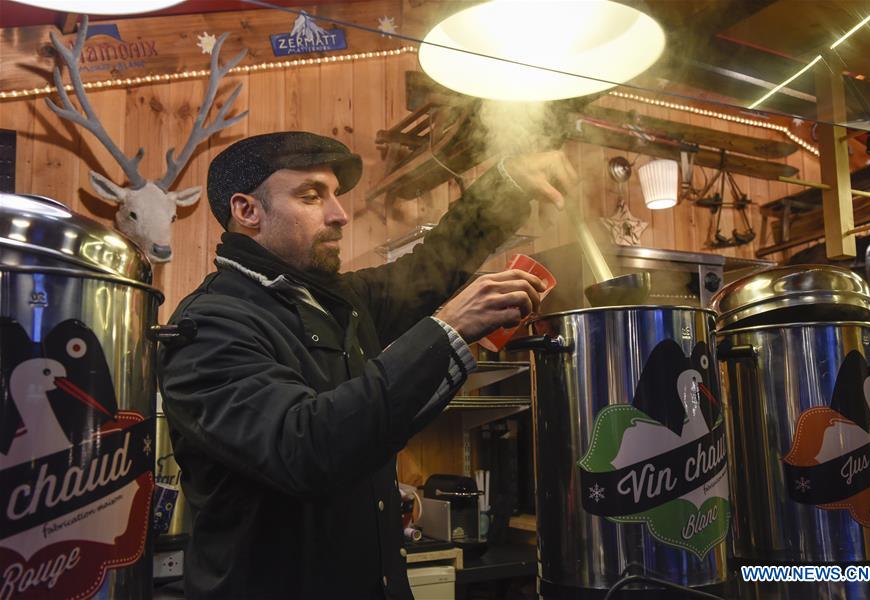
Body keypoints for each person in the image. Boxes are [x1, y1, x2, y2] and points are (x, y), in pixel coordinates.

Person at [158, 131, 576, 599]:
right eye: (311, 195)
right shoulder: (209, 325)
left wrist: (507, 188)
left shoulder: (338, 301)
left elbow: (431, 268)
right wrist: (448, 329)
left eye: (335, 195)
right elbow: (305, 448)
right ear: (247, 211)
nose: (338, 215)